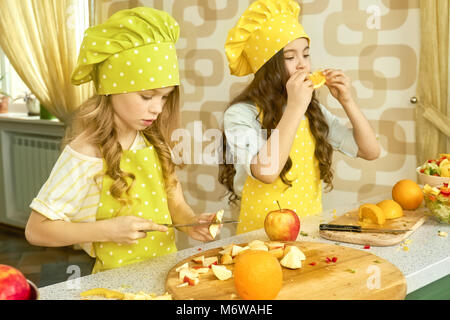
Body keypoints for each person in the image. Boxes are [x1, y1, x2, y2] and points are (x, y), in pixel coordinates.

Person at [25, 7, 220, 273]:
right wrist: (107, 230)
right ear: (112, 89)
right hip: (116, 281)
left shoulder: (154, 142)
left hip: (166, 274)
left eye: (164, 97)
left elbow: (175, 204)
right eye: (147, 96)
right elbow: (36, 230)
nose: (157, 109)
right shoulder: (86, 151)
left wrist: (192, 221)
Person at [219, 0, 380, 234]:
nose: (302, 65)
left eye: (305, 55)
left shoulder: (312, 110)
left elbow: (370, 151)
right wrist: (294, 108)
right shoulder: (240, 114)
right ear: (267, 66)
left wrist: (347, 101)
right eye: (290, 57)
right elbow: (266, 172)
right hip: (260, 234)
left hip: (309, 230)